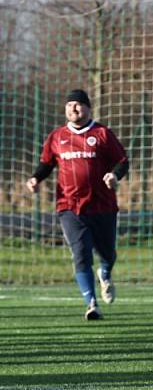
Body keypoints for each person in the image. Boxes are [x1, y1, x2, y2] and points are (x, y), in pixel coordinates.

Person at [25, 89, 128, 321]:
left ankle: (105, 272)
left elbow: (122, 161)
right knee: (80, 253)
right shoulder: (57, 136)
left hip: (103, 206)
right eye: (69, 105)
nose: (73, 109)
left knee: (108, 254)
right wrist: (35, 178)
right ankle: (92, 304)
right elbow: (46, 164)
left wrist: (114, 176)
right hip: (69, 206)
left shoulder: (102, 134)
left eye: (78, 105)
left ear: (88, 108)